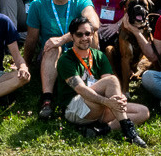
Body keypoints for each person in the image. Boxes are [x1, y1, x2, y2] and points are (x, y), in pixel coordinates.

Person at [56, 13, 152, 145]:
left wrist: (118, 99)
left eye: (88, 34)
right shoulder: (66, 60)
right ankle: (128, 130)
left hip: (99, 107)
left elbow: (109, 85)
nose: (84, 38)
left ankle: (100, 130)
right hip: (76, 108)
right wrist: (108, 102)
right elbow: (82, 90)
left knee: (143, 112)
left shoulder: (99, 55)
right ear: (72, 36)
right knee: (112, 80)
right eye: (79, 34)